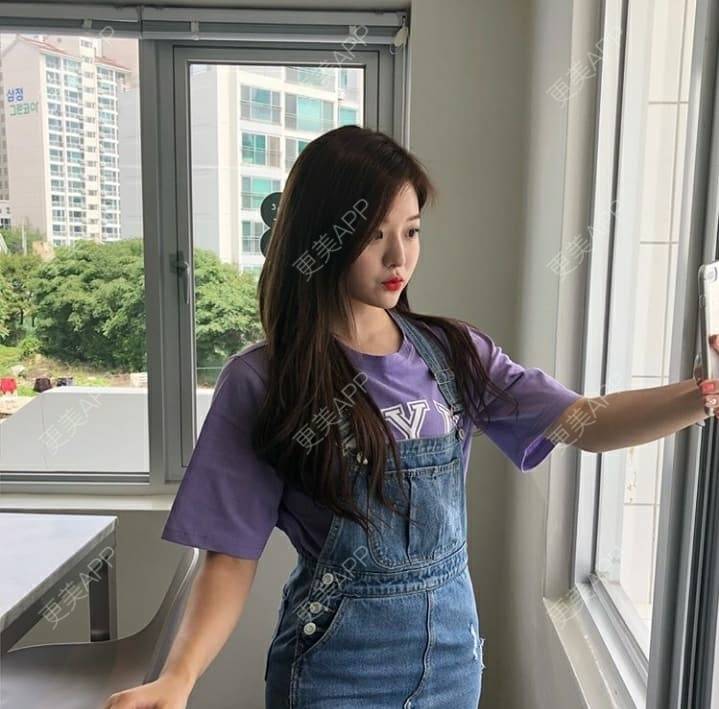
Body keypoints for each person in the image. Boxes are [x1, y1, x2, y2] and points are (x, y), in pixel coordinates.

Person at [103, 125, 719, 709]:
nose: (399, 255)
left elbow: (584, 422)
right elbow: (231, 556)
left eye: (413, 230)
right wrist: (178, 677)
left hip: (452, 661)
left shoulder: (454, 353)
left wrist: (702, 394)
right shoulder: (263, 380)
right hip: (334, 671)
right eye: (374, 234)